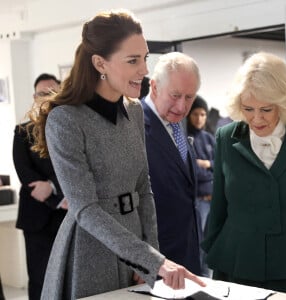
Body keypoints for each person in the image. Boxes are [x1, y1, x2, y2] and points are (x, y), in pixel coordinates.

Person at [27, 10, 205, 300]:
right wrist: (152, 260)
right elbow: (85, 208)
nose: (144, 70)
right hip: (89, 253)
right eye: (133, 60)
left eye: (145, 58)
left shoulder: (134, 111)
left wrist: (150, 255)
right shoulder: (65, 120)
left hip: (136, 246)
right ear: (100, 63)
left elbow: (142, 188)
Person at [201, 52, 286, 295]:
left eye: (266, 109)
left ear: (283, 103)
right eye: (248, 108)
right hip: (237, 260)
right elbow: (219, 207)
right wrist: (213, 250)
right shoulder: (226, 137)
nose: (256, 118)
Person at [141, 52, 202, 276]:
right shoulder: (133, 126)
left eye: (189, 97)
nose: (182, 106)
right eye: (175, 95)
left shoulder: (176, 125)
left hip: (188, 256)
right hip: (155, 263)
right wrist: (142, 260)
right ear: (154, 87)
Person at [13, 73, 67, 300]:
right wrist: (55, 194)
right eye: (41, 94)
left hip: (66, 216)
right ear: (34, 97)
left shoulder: (68, 128)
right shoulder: (22, 131)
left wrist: (53, 186)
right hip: (36, 219)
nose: (46, 98)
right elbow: (25, 173)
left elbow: (72, 168)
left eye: (51, 93)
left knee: (66, 279)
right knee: (39, 278)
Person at [186, 95, 215, 234]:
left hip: (215, 200)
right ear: (189, 115)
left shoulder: (209, 138)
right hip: (199, 201)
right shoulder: (186, 139)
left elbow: (223, 164)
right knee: (199, 240)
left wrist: (208, 163)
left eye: (202, 114)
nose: (199, 118)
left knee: (214, 240)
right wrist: (212, 173)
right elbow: (193, 171)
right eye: (195, 114)